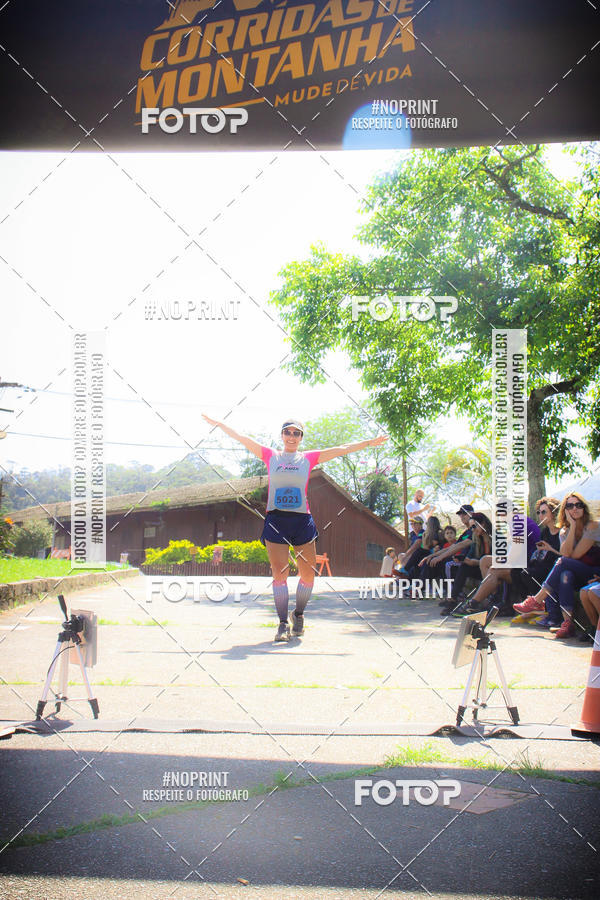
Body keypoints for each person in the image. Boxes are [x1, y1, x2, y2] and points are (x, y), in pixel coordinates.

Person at [202, 413, 388, 641]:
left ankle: (298, 614)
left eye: (296, 433)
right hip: (276, 520)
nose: (291, 436)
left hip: (302, 520)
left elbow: (342, 448)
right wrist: (221, 424)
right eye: (287, 432)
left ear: (301, 437)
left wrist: (370, 442)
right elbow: (242, 438)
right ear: (282, 435)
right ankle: (281, 623)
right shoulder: (270, 456)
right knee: (279, 574)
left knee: (308, 575)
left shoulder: (308, 458)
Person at [512, 493, 600, 639]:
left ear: (584, 508)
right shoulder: (565, 530)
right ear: (565, 510)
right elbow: (566, 553)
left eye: (579, 505)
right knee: (565, 575)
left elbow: (574, 555)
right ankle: (567, 623)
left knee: (562, 563)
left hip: (594, 571)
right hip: (578, 573)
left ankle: (537, 600)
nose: (575, 509)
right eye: (570, 506)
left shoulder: (593, 526)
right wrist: (572, 526)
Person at [464, 512, 541, 616]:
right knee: (485, 560)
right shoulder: (514, 522)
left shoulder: (518, 522)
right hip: (520, 562)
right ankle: (494, 598)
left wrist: (500, 563)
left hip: (527, 566)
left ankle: (473, 604)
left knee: (493, 570)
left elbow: (516, 553)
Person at [439, 512, 493, 615]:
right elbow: (470, 556)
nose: (472, 529)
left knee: (475, 563)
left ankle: (478, 602)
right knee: (464, 566)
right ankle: (453, 600)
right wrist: (465, 560)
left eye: (474, 526)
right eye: (471, 527)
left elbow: (498, 560)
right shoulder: (476, 539)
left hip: (492, 571)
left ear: (483, 524)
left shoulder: (496, 538)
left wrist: (475, 562)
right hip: (480, 568)